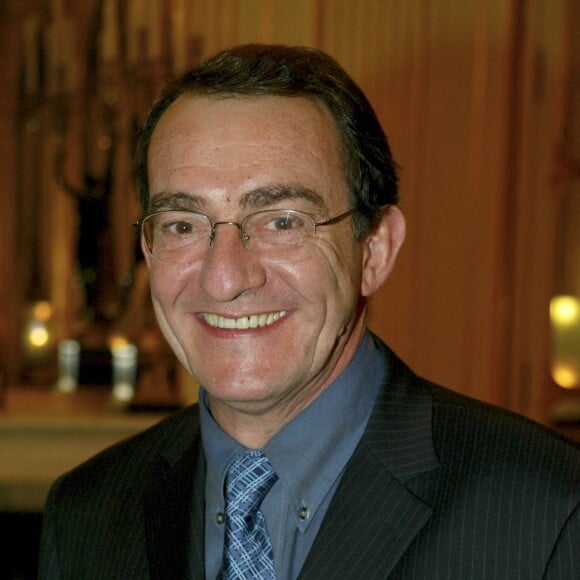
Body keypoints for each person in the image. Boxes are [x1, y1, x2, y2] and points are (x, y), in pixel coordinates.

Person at [39, 44, 579, 580]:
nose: (224, 279)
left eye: (281, 222)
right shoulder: (86, 514)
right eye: (183, 225)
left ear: (374, 250)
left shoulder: (547, 512)